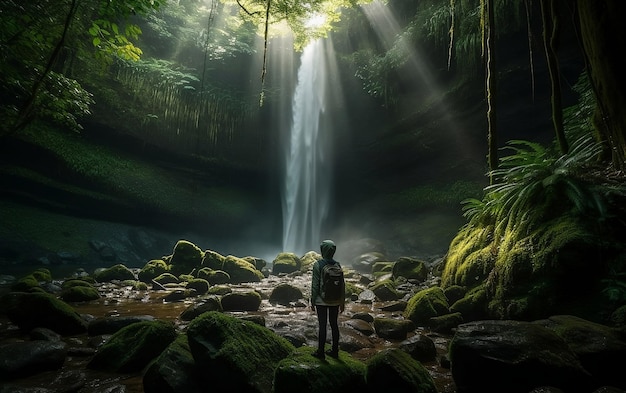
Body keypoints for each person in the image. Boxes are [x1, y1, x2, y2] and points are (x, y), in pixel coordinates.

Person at [310, 239, 345, 359]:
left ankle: (321, 352)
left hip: (321, 301)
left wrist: (312, 300)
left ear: (322, 250)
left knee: (323, 325)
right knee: (334, 325)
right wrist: (342, 302)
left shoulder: (318, 265)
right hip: (335, 300)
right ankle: (335, 351)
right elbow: (342, 286)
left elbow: (315, 285)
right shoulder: (337, 265)